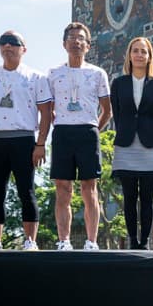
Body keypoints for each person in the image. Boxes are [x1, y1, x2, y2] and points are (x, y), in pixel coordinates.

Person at [0, 31, 52, 251]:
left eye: (14, 43)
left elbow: (46, 112)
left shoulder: (37, 77)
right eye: (3, 42)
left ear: (23, 49)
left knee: (26, 191)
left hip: (24, 139)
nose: (8, 46)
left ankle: (30, 241)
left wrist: (41, 144)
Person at [48, 22, 112, 251]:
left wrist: (95, 129)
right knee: (63, 188)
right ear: (64, 44)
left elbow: (107, 108)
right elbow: (48, 107)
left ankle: (91, 241)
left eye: (81, 38)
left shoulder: (97, 73)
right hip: (63, 132)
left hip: (88, 131)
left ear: (88, 45)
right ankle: (63, 241)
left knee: (89, 188)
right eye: (72, 38)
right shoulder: (54, 73)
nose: (76, 42)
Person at [109, 36, 153, 250]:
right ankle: (132, 239)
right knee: (129, 196)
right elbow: (117, 112)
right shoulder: (119, 83)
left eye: (144, 51)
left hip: (150, 144)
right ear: (130, 55)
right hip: (125, 144)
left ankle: (145, 241)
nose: (140, 55)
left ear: (150, 56)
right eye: (136, 51)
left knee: (148, 196)